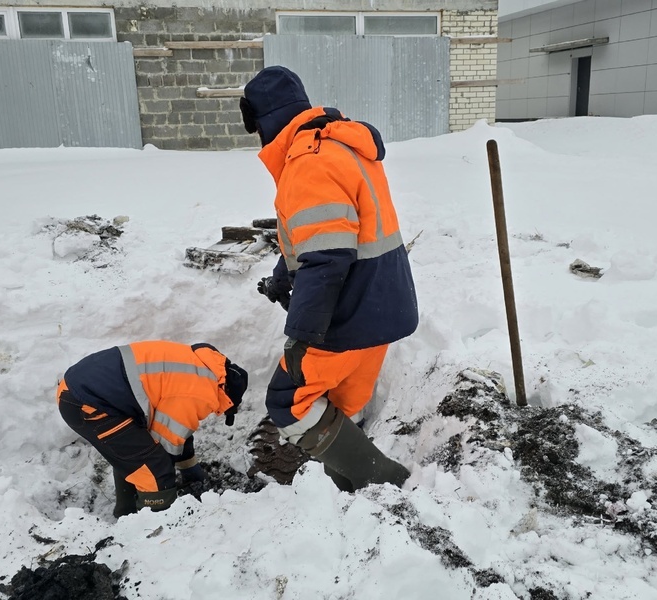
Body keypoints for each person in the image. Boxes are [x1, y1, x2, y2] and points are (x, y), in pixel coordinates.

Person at [240, 65, 418, 492]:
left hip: (350, 314)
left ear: (263, 123)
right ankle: (348, 491)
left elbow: (327, 258)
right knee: (339, 404)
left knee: (288, 402)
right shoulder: (341, 144)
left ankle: (388, 481)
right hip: (384, 305)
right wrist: (284, 274)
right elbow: (330, 235)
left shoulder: (308, 162)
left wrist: (301, 336)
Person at [56, 340, 248, 518]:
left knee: (135, 450)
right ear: (227, 397)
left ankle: (127, 512)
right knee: (154, 467)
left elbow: (177, 426)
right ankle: (155, 525)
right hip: (88, 403)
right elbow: (165, 441)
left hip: (85, 388)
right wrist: (169, 484)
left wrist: (189, 467)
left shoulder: (200, 367)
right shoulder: (203, 393)